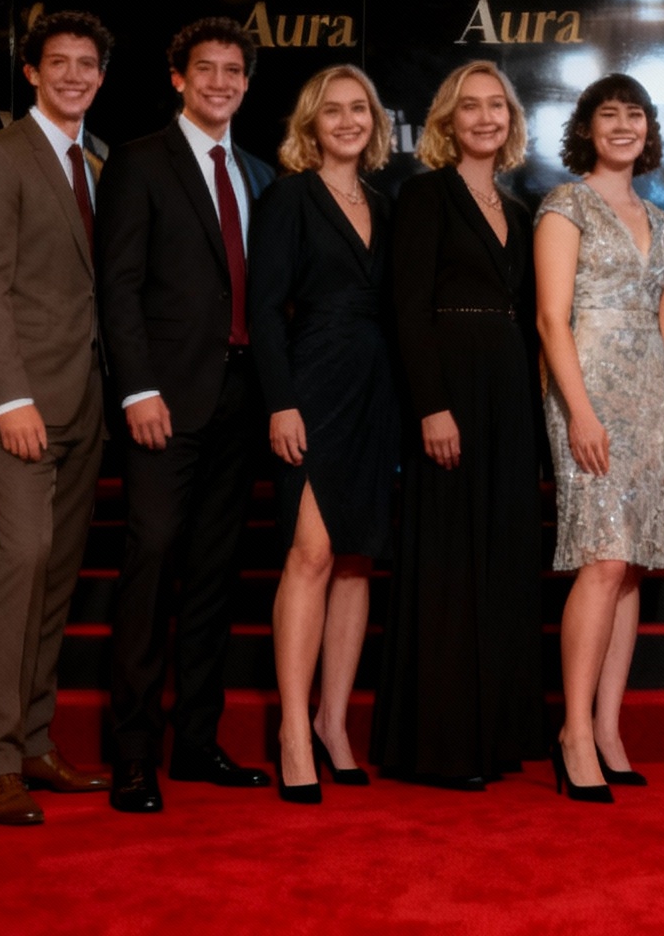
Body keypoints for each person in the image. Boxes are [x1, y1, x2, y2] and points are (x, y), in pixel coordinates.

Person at [97, 18, 276, 812]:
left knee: (213, 579)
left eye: (233, 71)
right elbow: (118, 287)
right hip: (164, 403)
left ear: (246, 82)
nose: (219, 83)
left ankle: (197, 743)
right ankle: (132, 755)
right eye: (204, 69)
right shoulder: (138, 162)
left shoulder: (260, 174)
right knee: (151, 568)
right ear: (178, 77)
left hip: (242, 401)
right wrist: (137, 390)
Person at [0, 10, 117, 826]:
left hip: (86, 402)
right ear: (31, 72)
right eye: (59, 63)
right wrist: (7, 398)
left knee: (55, 579)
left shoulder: (97, 161)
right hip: (23, 404)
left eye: (87, 64)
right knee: (21, 566)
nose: (74, 76)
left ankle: (35, 739)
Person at [371, 61, 549, 789]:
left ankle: (495, 736)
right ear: (446, 121)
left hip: (510, 396)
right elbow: (407, 310)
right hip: (451, 393)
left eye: (496, 108)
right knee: (448, 565)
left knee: (501, 561)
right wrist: (431, 406)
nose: (484, 118)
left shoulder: (521, 207)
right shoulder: (423, 195)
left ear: (510, 122)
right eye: (469, 107)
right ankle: (443, 746)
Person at [250, 66, 400, 804]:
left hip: (377, 394)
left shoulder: (383, 201)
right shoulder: (287, 199)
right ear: (311, 124)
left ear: (375, 122)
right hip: (311, 385)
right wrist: (281, 403)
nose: (347, 121)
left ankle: (335, 724)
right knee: (310, 555)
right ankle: (292, 733)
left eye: (359, 110)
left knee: (355, 562)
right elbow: (265, 308)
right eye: (333, 111)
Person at [536, 74, 664, 803]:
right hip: (588, 392)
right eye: (608, 115)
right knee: (603, 557)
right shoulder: (565, 205)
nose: (623, 127)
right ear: (587, 130)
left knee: (632, 567)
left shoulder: (662, 217)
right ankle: (574, 734)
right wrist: (581, 411)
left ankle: (611, 727)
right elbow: (552, 320)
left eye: (635, 116)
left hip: (651, 399)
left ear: (650, 131)